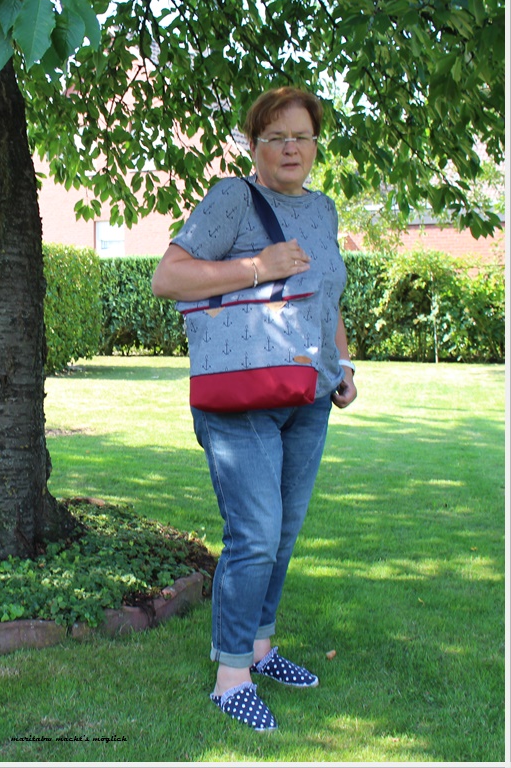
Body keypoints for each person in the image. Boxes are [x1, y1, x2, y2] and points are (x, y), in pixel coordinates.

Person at [152, 87, 357, 731]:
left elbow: (326, 296)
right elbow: (168, 278)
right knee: (255, 534)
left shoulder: (322, 209)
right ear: (254, 145)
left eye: (302, 136)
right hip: (240, 397)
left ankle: (261, 649)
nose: (291, 147)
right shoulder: (231, 199)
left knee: (283, 534)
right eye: (276, 137)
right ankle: (231, 677)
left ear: (316, 144)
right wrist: (257, 266)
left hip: (308, 398)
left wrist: (342, 365)